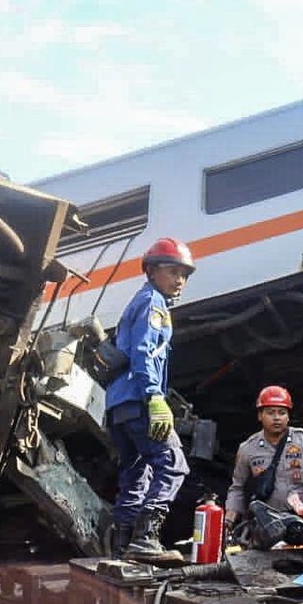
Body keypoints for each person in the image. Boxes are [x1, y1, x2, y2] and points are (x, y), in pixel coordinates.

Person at [105, 238, 196, 564]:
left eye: (185, 275)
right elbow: (144, 352)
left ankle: (122, 548)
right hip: (139, 399)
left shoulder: (140, 300)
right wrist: (155, 397)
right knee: (173, 465)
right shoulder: (152, 302)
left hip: (119, 407)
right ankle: (146, 539)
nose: (180, 281)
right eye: (173, 272)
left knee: (136, 475)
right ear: (153, 271)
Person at [225, 385, 303, 530]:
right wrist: (229, 519)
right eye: (270, 412)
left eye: (282, 412)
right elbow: (237, 488)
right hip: (267, 524)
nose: (277, 418)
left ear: (288, 416)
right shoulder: (248, 448)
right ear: (260, 415)